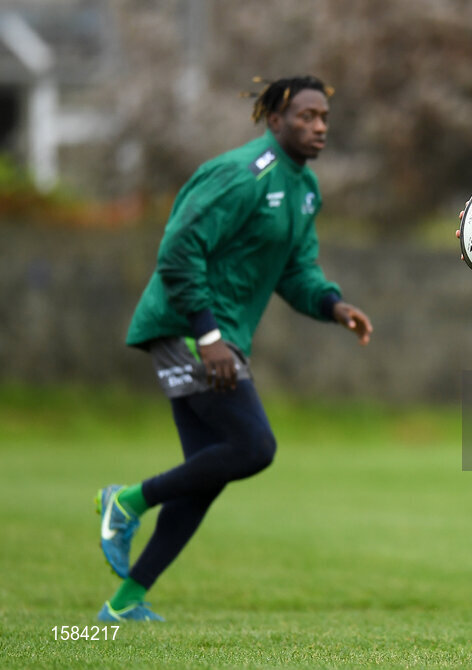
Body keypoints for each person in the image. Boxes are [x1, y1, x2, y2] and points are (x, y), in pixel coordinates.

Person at [95, 75, 372, 622]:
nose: (319, 126)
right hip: (186, 329)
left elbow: (296, 270)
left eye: (324, 117)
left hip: (220, 337)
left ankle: (124, 603)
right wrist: (208, 336)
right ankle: (126, 501)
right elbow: (179, 250)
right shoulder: (240, 174)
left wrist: (332, 305)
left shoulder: (305, 188)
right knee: (253, 447)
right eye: (306, 116)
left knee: (208, 473)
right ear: (274, 119)